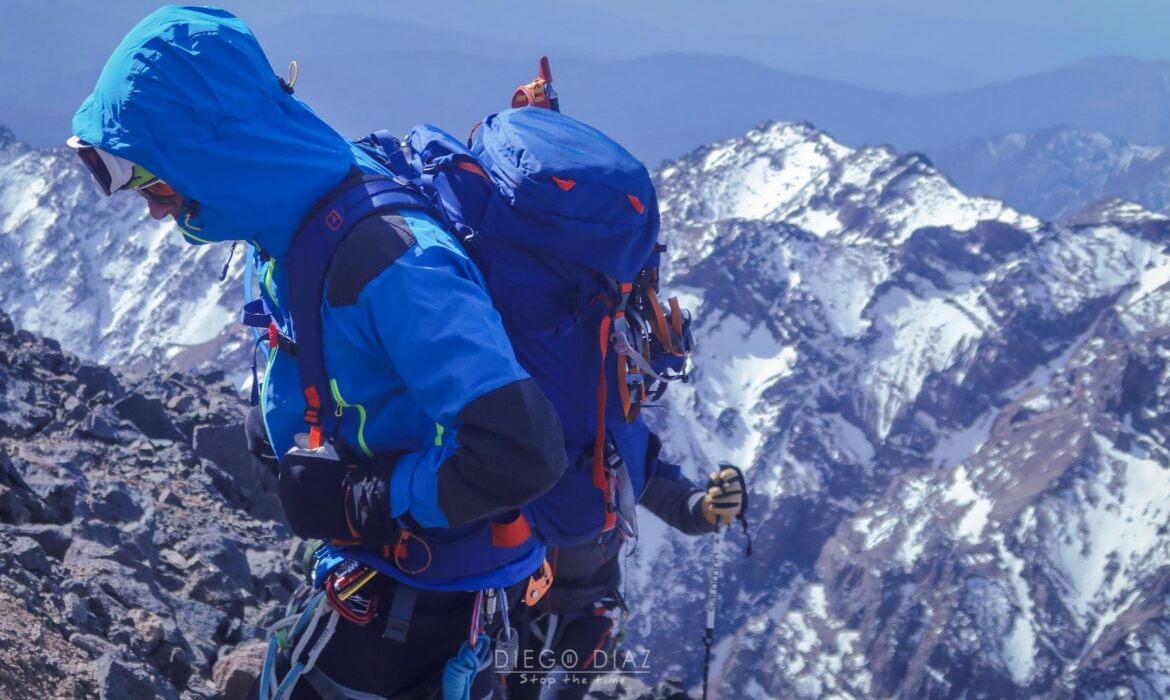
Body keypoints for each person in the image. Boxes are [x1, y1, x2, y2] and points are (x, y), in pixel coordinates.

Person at [69, 6, 566, 699]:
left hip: (418, 602)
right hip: (392, 574)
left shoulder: (392, 263)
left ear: (214, 155)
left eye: (156, 183)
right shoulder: (292, 200)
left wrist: (369, 499)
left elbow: (524, 449)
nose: (155, 209)